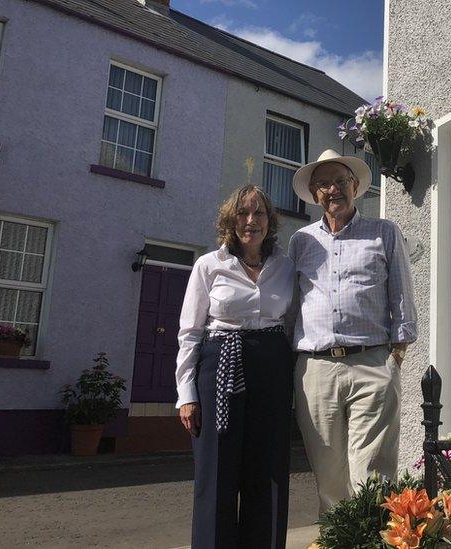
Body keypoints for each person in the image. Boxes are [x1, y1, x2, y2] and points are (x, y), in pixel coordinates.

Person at [289, 149, 418, 516]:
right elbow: (292, 304)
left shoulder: (384, 232)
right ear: (315, 194)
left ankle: (373, 540)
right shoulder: (301, 241)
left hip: (372, 363)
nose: (333, 189)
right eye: (324, 183)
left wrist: (395, 357)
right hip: (315, 370)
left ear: (356, 186)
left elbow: (403, 298)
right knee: (329, 476)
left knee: (372, 475)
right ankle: (338, 539)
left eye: (341, 181)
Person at [175, 185, 296, 548]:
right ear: (231, 220)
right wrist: (186, 394)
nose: (251, 221)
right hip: (219, 364)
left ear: (269, 221)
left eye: (259, 213)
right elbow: (190, 332)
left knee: (269, 470)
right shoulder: (209, 265)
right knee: (216, 474)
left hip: (272, 366)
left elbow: (291, 323)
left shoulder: (286, 267)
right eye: (243, 213)